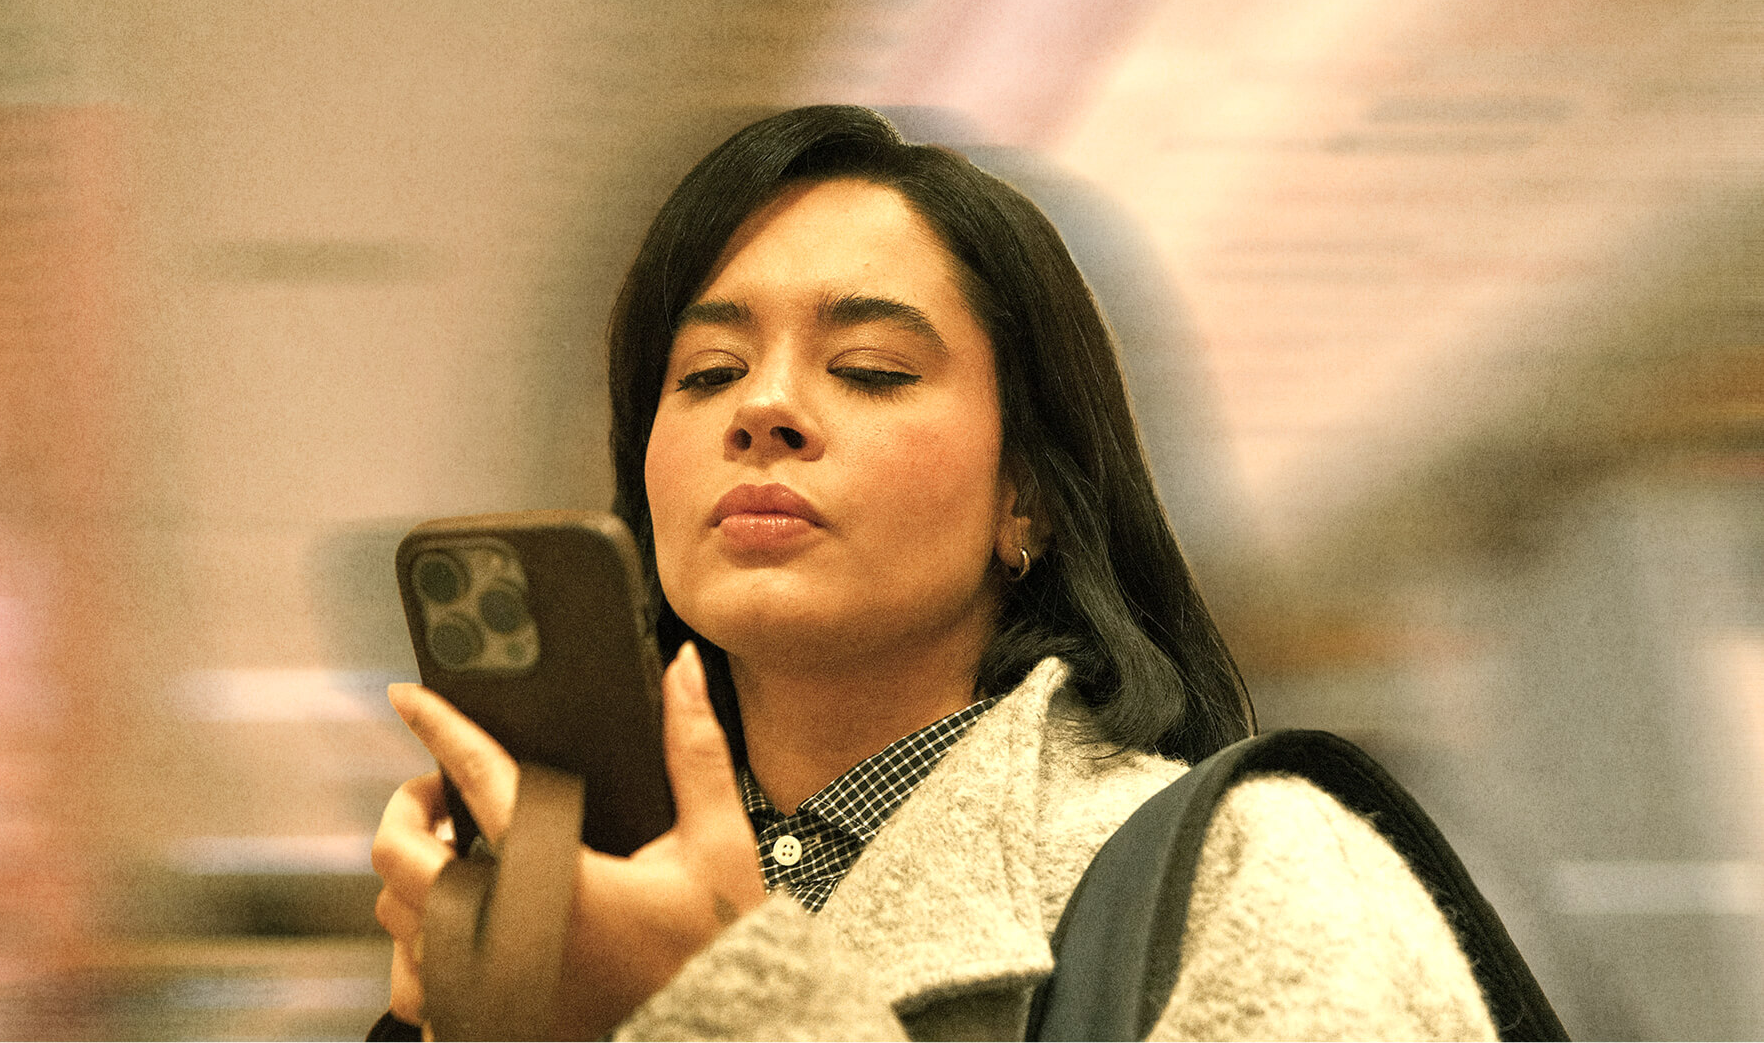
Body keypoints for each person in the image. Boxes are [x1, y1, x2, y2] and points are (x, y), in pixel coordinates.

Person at [369, 105, 1497, 1040]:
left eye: (869, 368)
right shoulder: (581, 913)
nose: (763, 407)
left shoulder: (1259, 874)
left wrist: (718, 1008)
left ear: (1031, 498)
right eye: (708, 370)